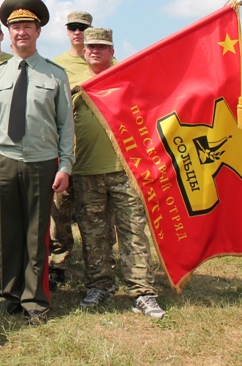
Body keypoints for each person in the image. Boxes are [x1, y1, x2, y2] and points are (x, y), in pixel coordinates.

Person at [0, 0, 74, 325]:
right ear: (8, 32)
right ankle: (8, 295)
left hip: (41, 162)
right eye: (16, 26)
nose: (21, 32)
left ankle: (35, 300)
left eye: (28, 26)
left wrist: (65, 165)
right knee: (6, 232)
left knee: (37, 234)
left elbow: (66, 125)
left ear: (38, 32)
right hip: (4, 160)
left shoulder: (55, 74)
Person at [71, 28, 165, 319]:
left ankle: (142, 292)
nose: (95, 51)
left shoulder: (127, 78)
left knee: (133, 232)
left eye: (102, 47)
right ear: (83, 51)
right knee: (93, 233)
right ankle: (100, 285)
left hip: (127, 169)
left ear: (112, 51)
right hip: (85, 170)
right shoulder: (72, 83)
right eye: (90, 47)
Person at [47, 11, 94, 288]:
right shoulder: (58, 65)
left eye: (84, 28)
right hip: (66, 149)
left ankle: (100, 264)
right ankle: (59, 262)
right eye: (74, 28)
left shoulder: (109, 63)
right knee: (60, 212)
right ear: (67, 31)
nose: (79, 32)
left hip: (96, 152)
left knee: (95, 213)